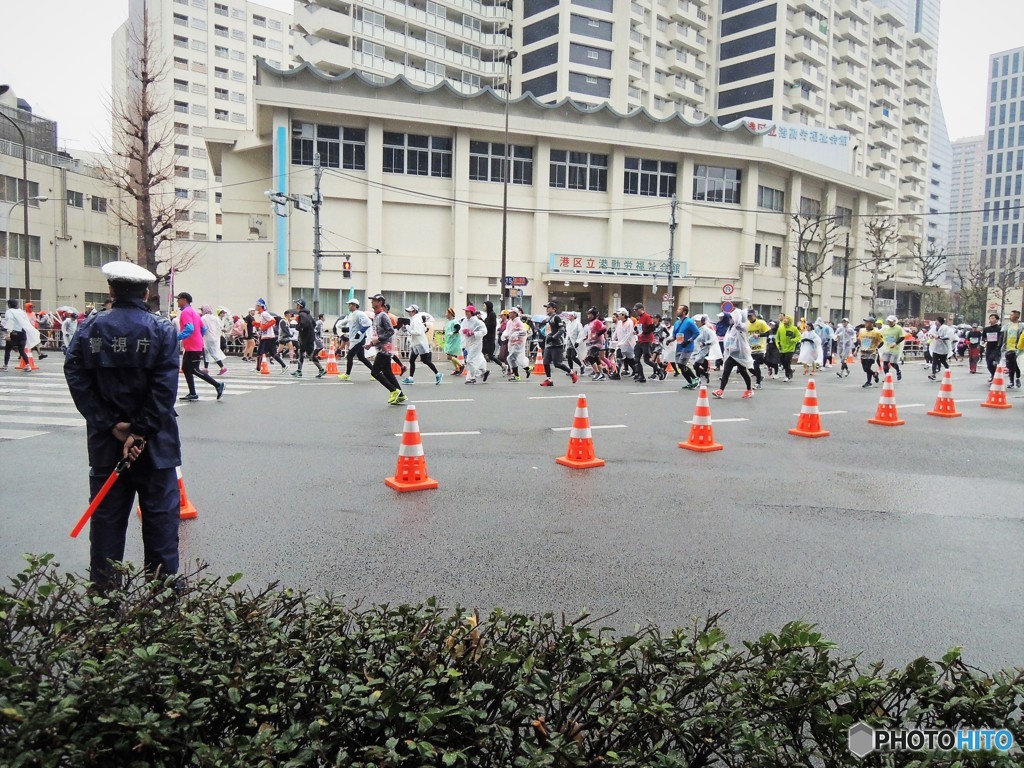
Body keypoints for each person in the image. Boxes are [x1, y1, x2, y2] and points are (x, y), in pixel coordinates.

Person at [64, 261, 182, 591]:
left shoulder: (90, 328)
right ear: (146, 293)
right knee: (160, 522)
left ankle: (105, 598)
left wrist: (111, 425)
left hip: (107, 445)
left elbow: (75, 376)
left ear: (111, 291)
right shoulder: (162, 330)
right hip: (155, 447)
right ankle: (161, 599)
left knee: (107, 525)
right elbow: (164, 389)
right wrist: (140, 431)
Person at [175, 292, 224, 402]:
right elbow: (203, 328)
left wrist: (177, 337)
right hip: (194, 345)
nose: (177, 301)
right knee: (186, 369)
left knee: (194, 369)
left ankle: (218, 385)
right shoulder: (195, 313)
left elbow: (189, 328)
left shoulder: (186, 313)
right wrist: (198, 337)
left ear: (184, 300)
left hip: (192, 346)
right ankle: (192, 393)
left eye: (178, 299)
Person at [365, 293, 406, 404]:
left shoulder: (383, 315)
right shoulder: (376, 316)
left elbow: (390, 331)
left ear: (380, 302)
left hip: (385, 348)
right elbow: (378, 333)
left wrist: (378, 340)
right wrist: (371, 344)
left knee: (375, 372)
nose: (372, 302)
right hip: (381, 347)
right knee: (388, 373)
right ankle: (401, 395)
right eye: (372, 300)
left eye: (374, 300)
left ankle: (393, 390)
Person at [712, 308, 754, 399]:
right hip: (731, 354)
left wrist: (736, 314)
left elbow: (738, 325)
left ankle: (749, 389)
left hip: (740, 354)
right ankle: (721, 390)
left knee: (743, 372)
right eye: (730, 317)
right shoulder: (729, 328)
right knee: (726, 371)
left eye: (732, 318)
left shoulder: (742, 326)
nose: (731, 319)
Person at [538, 301, 578, 387]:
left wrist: (553, 337)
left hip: (557, 344)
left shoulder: (556, 318)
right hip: (549, 344)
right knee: (545, 362)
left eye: (548, 308)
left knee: (557, 364)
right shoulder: (548, 318)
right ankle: (549, 379)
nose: (547, 309)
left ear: (554, 309)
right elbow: (548, 330)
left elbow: (562, 330)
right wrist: (544, 338)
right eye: (546, 308)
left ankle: (571, 372)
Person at [402, 304, 442, 385]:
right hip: (417, 343)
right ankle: (410, 378)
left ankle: (438, 374)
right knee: (412, 360)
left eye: (410, 311)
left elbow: (417, 332)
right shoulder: (417, 319)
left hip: (420, 343)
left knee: (425, 360)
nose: (409, 313)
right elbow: (423, 329)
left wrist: (408, 328)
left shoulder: (415, 320)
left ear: (414, 311)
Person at [337, 298, 373, 381]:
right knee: (361, 358)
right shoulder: (351, 315)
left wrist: (359, 333)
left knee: (349, 356)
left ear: (354, 305)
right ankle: (376, 372)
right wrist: (345, 329)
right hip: (354, 339)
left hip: (359, 340)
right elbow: (353, 327)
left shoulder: (360, 314)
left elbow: (368, 323)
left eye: (350, 304)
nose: (348, 306)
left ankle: (347, 374)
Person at [292, 299, 326, 378]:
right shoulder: (308, 314)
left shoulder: (302, 314)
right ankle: (299, 371)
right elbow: (313, 324)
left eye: (296, 304)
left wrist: (298, 327)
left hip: (305, 338)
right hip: (309, 337)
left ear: (299, 306)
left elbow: (304, 324)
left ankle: (321, 369)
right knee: (301, 353)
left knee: (310, 354)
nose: (295, 306)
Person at [2, 298, 39, 371]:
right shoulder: (21, 311)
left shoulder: (9, 312)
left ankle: (5, 365)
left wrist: (8, 333)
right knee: (21, 350)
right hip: (22, 333)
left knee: (8, 349)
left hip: (13, 332)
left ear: (9, 305)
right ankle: (28, 365)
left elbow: (10, 321)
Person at [254, 298, 288, 373]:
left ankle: (258, 369)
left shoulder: (264, 313)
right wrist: (255, 324)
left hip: (267, 336)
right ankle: (284, 366)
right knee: (273, 353)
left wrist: (264, 327)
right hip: (269, 336)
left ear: (260, 306)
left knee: (260, 352)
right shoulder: (262, 314)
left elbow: (273, 321)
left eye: (257, 305)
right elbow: (263, 324)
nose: (255, 307)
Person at [672, 305, 700, 389]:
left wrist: (689, 340)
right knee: (680, 365)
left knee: (681, 364)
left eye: (679, 309)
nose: (677, 311)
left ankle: (695, 378)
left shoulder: (689, 322)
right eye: (678, 309)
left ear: (684, 312)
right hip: (679, 346)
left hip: (687, 347)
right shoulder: (677, 323)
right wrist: (670, 340)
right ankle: (690, 382)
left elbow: (696, 332)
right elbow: (675, 335)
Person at [460, 304, 488, 384]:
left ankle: (472, 377)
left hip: (476, 343)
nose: (465, 312)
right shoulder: (465, 321)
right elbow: (461, 329)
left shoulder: (478, 322)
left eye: (467, 311)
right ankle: (484, 372)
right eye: (465, 311)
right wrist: (464, 331)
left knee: (469, 360)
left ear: (471, 312)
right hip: (468, 343)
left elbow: (484, 331)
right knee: (479, 359)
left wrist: (473, 333)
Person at [632, 302, 659, 382]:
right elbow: (641, 328)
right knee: (636, 359)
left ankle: (659, 370)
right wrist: (637, 332)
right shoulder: (639, 318)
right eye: (635, 310)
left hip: (646, 341)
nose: (636, 311)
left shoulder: (647, 316)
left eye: (637, 309)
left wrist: (643, 333)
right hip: (640, 340)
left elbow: (652, 328)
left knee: (646, 360)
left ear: (642, 309)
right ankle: (641, 376)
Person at [502, 306, 530, 381]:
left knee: (510, 358)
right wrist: (505, 335)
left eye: (511, 312)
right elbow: (507, 331)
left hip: (518, 343)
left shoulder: (519, 322)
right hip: (511, 343)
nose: (509, 313)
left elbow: (524, 332)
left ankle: (516, 375)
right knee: (515, 359)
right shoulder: (509, 322)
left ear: (515, 313)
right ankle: (526, 369)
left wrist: (516, 334)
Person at [745, 308, 770, 389]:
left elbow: (768, 333)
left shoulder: (761, 323)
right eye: (748, 316)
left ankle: (758, 383)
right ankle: (759, 376)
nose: (749, 318)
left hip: (760, 347)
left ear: (755, 315)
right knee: (749, 366)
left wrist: (759, 335)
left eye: (751, 316)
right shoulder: (746, 324)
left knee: (756, 365)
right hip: (750, 348)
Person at [200, 304, 228, 376]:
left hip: (207, 337)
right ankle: (205, 368)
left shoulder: (203, 318)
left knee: (213, 353)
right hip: (214, 337)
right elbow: (220, 327)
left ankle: (222, 367)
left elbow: (202, 327)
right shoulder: (215, 318)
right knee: (206, 352)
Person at [857, 317, 884, 388]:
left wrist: (877, 348)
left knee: (868, 366)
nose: (865, 323)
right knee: (865, 369)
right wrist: (857, 350)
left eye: (867, 322)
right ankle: (874, 374)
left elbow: (881, 342)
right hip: (863, 351)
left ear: (871, 323)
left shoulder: (877, 332)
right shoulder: (862, 331)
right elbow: (859, 340)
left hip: (872, 352)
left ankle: (868, 382)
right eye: (865, 322)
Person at [878, 315, 905, 381]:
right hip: (887, 348)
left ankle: (898, 371)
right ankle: (887, 376)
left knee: (892, 363)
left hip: (895, 349)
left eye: (890, 321)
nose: (889, 323)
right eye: (888, 321)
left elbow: (902, 337)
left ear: (894, 321)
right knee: (885, 363)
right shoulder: (886, 328)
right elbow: (880, 335)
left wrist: (895, 343)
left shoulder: (898, 328)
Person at [775, 314, 801, 381]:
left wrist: (793, 340)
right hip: (782, 348)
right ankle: (790, 370)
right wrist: (778, 345)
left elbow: (798, 336)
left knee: (787, 361)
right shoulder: (780, 328)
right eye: (785, 318)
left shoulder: (794, 329)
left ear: (790, 320)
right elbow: (777, 338)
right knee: (782, 361)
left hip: (790, 348)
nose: (785, 319)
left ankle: (787, 375)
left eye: (787, 318)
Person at [442, 307, 465, 375]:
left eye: (446, 313)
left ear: (450, 314)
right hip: (449, 340)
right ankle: (457, 368)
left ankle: (461, 365)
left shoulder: (455, 321)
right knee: (451, 356)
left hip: (454, 341)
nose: (445, 314)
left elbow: (458, 328)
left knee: (449, 356)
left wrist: (453, 332)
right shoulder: (448, 322)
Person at [1003, 309, 1022, 388]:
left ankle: (1017, 378)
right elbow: (1003, 336)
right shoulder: (1007, 326)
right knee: (1009, 366)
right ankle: (1011, 381)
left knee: (1016, 366)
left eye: (1011, 315)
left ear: (1016, 317)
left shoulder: (1021, 326)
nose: (1010, 316)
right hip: (1008, 349)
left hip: (1017, 350)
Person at [982, 313, 1003, 382]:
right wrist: (985, 340)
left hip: (997, 348)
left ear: (997, 320)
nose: (991, 319)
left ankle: (995, 377)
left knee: (995, 363)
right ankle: (993, 375)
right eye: (990, 318)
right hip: (989, 348)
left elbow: (1002, 338)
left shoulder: (1000, 329)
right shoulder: (986, 329)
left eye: (993, 318)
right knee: (989, 364)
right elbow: (983, 338)